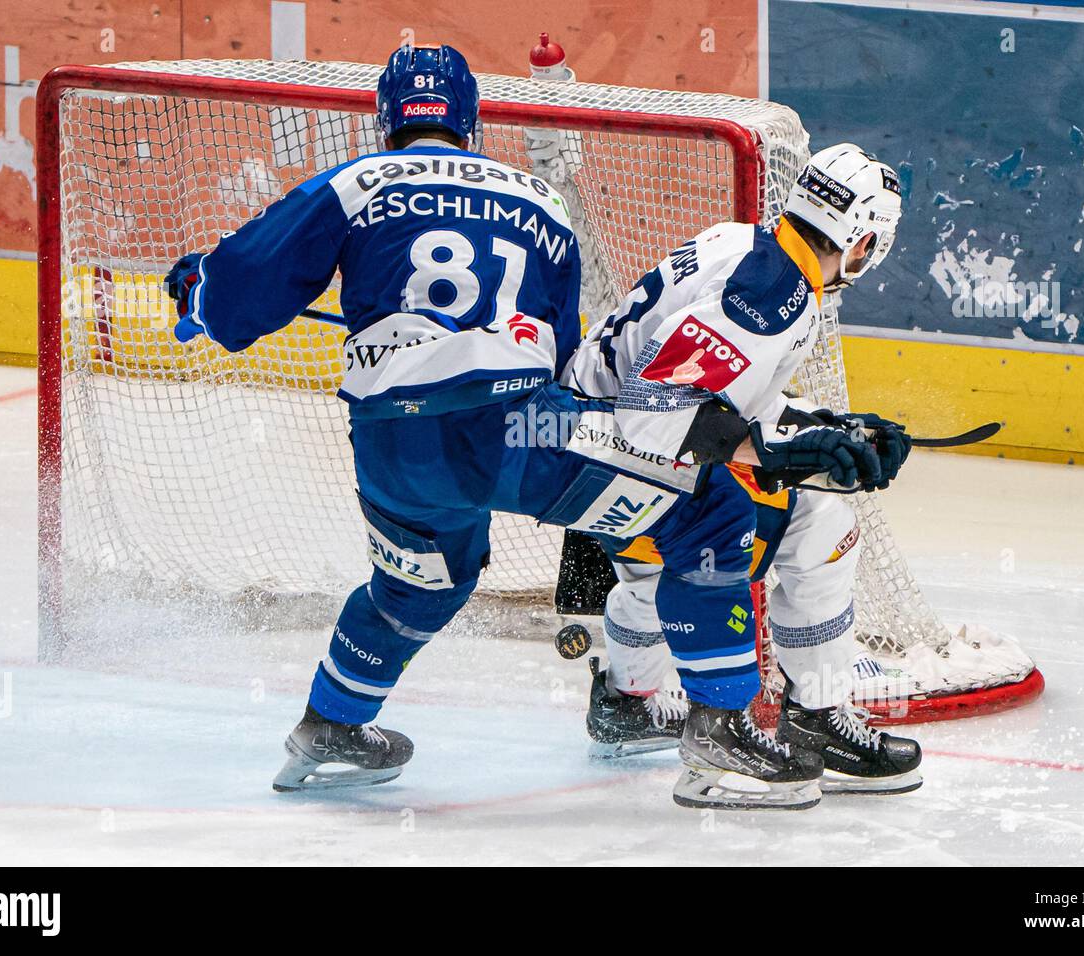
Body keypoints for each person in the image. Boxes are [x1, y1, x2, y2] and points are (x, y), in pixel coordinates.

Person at [164, 43, 834, 810]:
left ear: (387, 119)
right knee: (710, 512)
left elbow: (236, 292)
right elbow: (564, 362)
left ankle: (331, 726)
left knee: (418, 584)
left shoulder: (354, 183)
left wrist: (196, 294)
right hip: (513, 433)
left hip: (391, 447)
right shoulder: (538, 200)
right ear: (471, 120)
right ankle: (721, 731)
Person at [565, 144, 923, 794]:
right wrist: (784, 453)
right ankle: (814, 715)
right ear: (866, 239)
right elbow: (656, 411)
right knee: (823, 524)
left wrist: (831, 427)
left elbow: (716, 391)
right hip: (612, 454)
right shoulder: (776, 291)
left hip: (583, 446)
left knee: (654, 568)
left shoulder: (748, 246)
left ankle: (628, 700)